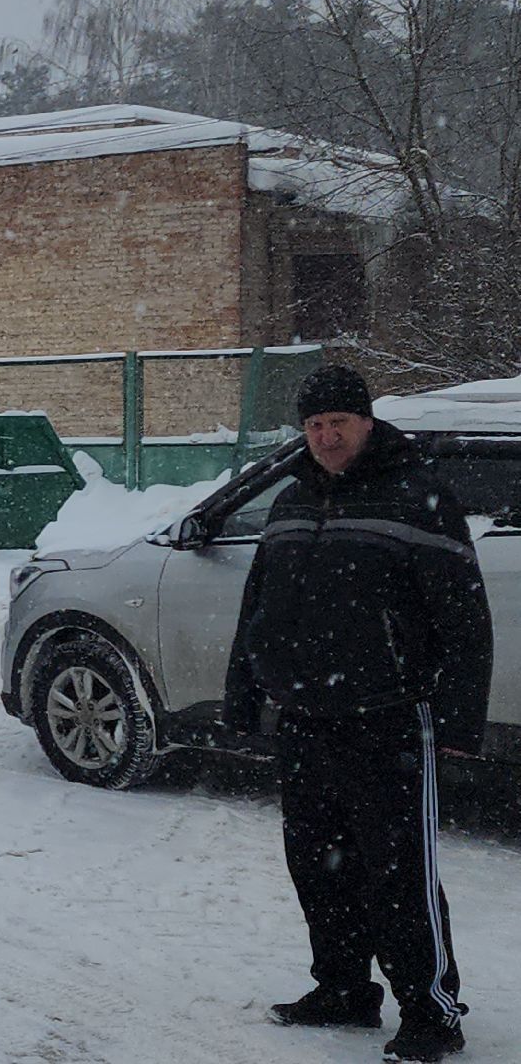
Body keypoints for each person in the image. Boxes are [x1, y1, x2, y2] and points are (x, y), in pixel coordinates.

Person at [225, 365, 492, 1063]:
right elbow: (258, 606)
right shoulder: (289, 503)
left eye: (338, 422)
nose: (325, 435)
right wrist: (245, 692)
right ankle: (343, 988)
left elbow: (464, 617)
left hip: (390, 717)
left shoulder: (418, 498)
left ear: (367, 421)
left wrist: (460, 719)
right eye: (314, 425)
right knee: (318, 863)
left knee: (397, 871)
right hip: (307, 716)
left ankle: (432, 1011)